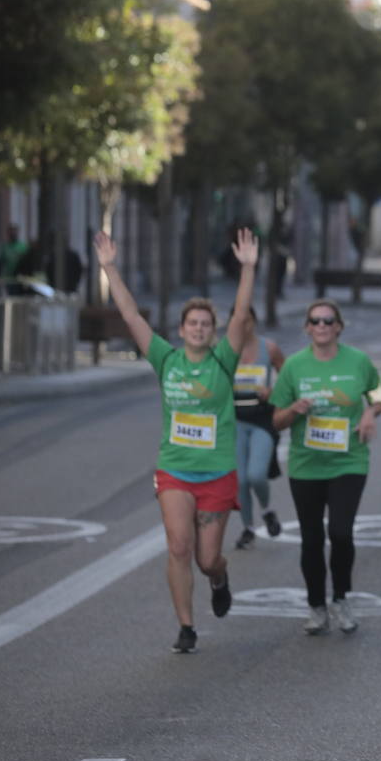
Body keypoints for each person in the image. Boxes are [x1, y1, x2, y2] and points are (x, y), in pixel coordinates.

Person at [94, 226, 258, 654]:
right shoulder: (165, 359)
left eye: (206, 324)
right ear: (182, 329)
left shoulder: (224, 361)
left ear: (212, 331)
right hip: (175, 470)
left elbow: (241, 317)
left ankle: (219, 579)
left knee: (207, 559)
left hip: (217, 471)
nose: (199, 329)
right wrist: (110, 266)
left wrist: (248, 269)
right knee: (178, 546)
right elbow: (132, 317)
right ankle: (186, 627)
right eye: (192, 323)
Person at [273, 300, 381, 635]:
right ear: (307, 328)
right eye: (315, 321)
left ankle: (340, 597)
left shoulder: (359, 361)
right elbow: (277, 420)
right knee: (311, 539)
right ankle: (315, 605)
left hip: (349, 461)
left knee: (340, 532)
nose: (321, 326)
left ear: (339, 326)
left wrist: (370, 412)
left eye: (328, 321)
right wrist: (294, 410)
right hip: (306, 464)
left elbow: (378, 395)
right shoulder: (294, 367)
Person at [230, 305, 286, 549]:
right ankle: (248, 528)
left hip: (262, 419)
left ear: (254, 321)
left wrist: (273, 391)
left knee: (256, 475)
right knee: (240, 480)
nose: (244, 326)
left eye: (248, 320)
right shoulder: (225, 351)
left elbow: (288, 378)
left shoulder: (269, 348)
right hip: (234, 420)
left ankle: (267, 510)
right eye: (239, 321)